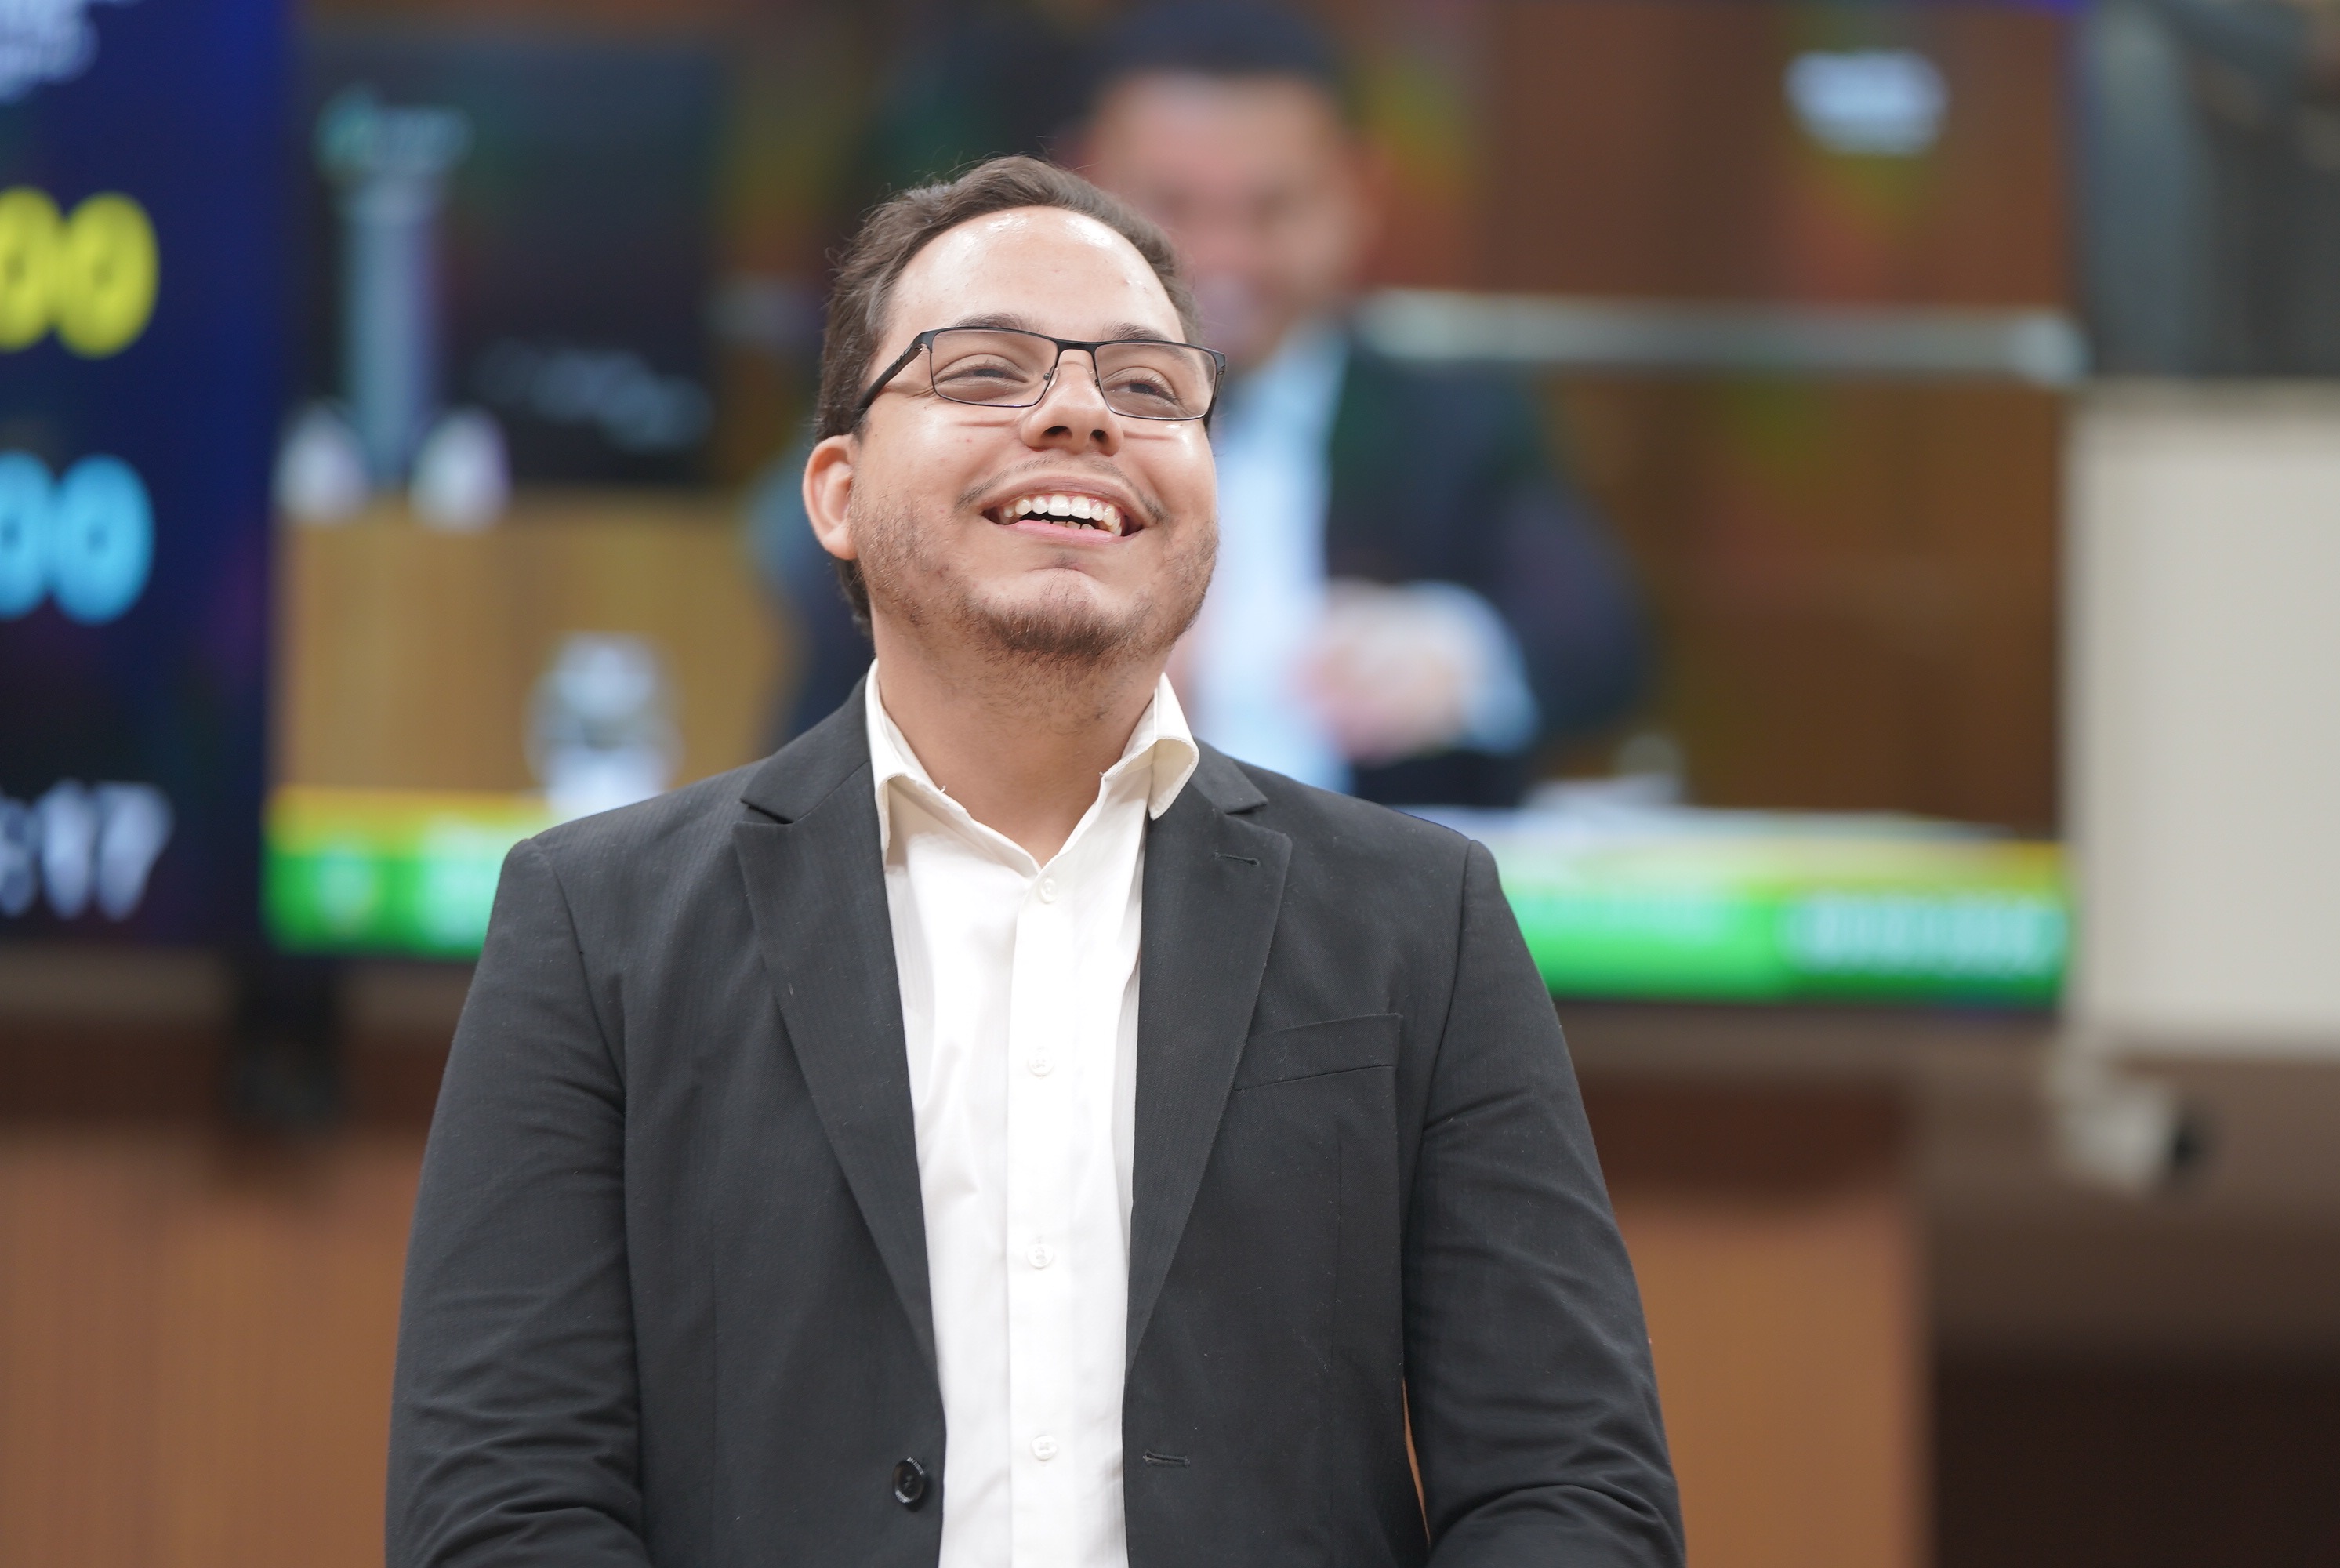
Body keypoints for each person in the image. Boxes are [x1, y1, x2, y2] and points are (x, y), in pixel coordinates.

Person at [389, 157, 1680, 1567]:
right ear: (836, 491)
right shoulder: (598, 926)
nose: (1079, 412)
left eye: (1148, 388)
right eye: (986, 371)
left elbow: (1573, 1495)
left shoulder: (1420, 920)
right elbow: (502, 1507)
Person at [763, 2, 1649, 808]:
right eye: (1174, 205)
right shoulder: (964, 412)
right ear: (1078, 183)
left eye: (1271, 209)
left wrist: (1460, 651)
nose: (1220, 261)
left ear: (1357, 195)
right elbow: (827, 671)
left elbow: (1599, 642)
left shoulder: (1452, 425)